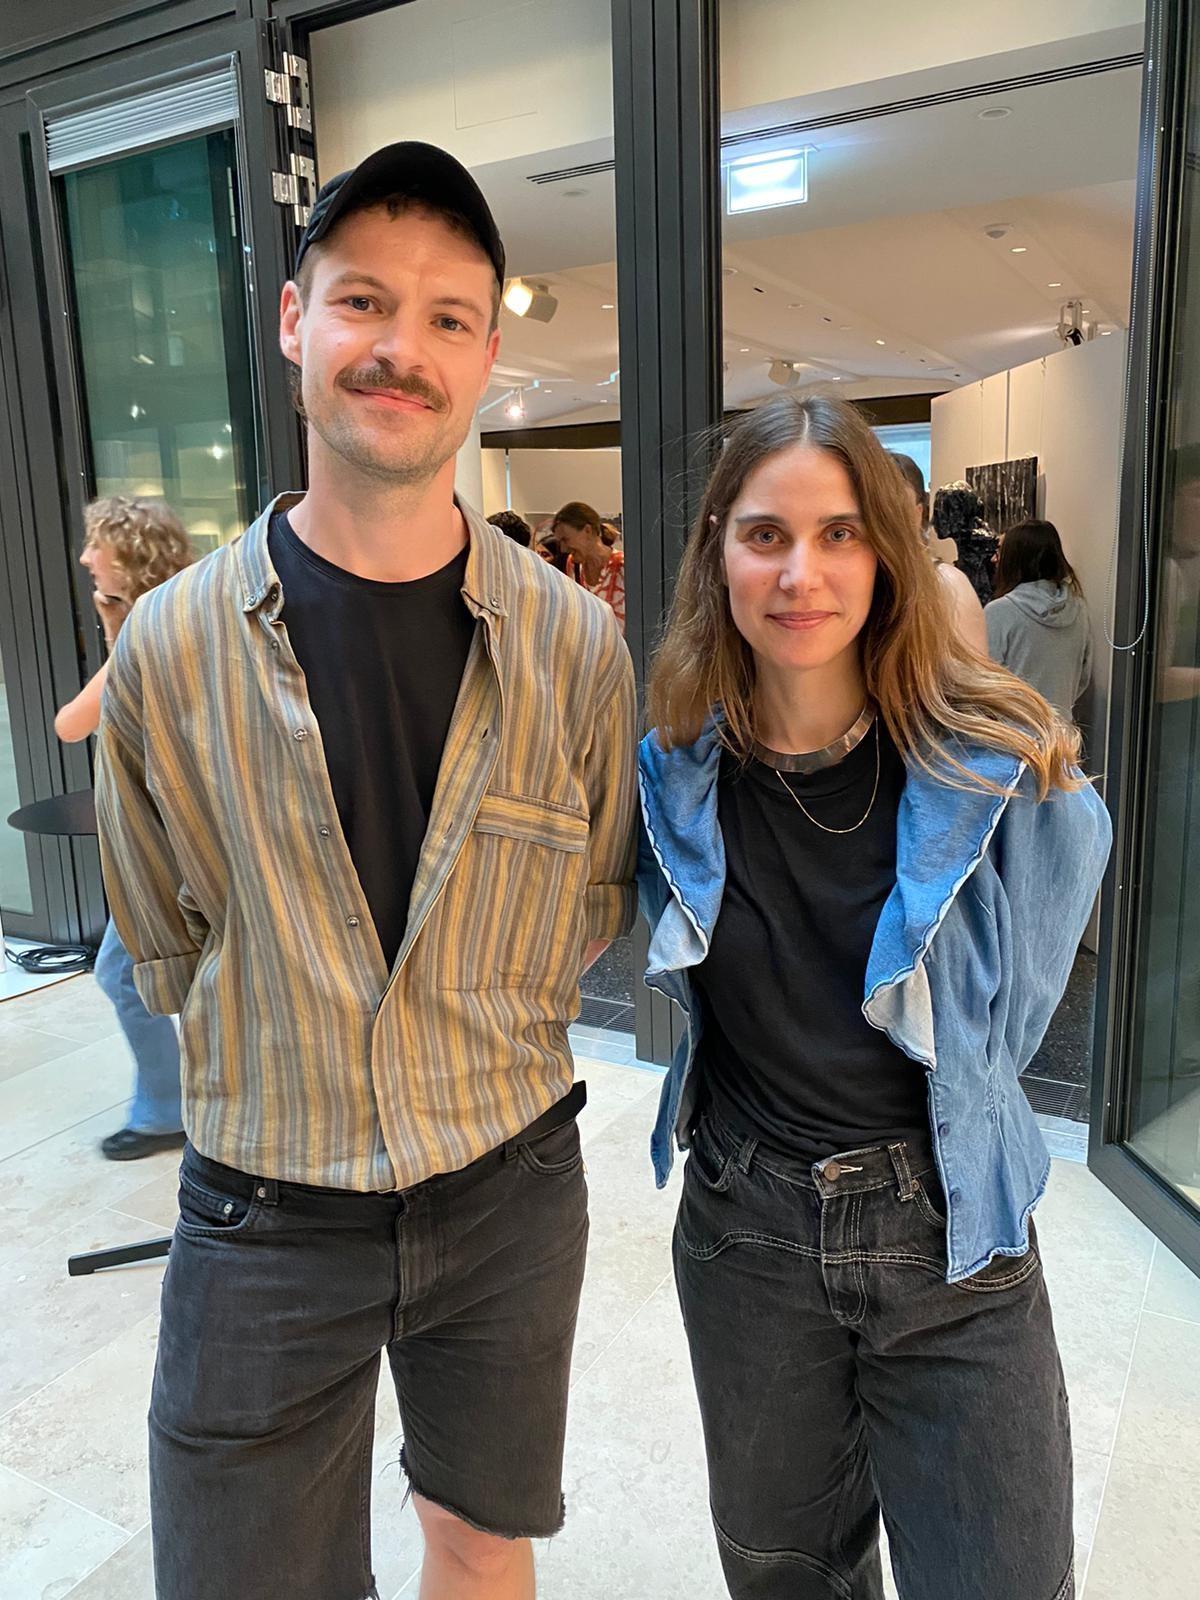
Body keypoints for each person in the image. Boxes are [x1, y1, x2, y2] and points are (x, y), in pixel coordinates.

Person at [95, 142, 637, 1600]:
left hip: (509, 1186)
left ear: (486, 357)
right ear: (295, 319)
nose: (403, 347)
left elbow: (591, 904)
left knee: (481, 1536)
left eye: (448, 316)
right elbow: (160, 932)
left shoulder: (574, 644)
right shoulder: (171, 649)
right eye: (363, 302)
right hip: (264, 1206)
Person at [636, 392, 1110, 1600]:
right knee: (787, 1574)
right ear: (718, 553)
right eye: (766, 534)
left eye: (839, 533)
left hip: (953, 1235)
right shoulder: (676, 769)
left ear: (887, 554)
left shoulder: (991, 758)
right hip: (747, 1234)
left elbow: (1024, 993)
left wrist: (971, 1096)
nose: (802, 573)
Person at [55, 495, 193, 1160]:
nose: (86, 558)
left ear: (131, 555)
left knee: (121, 973)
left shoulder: (149, 629)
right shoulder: (184, 614)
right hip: (182, 833)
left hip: (163, 845)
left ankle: (166, 1108)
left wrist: (115, 629)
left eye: (98, 546)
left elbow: (72, 723)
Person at [985, 518, 1093, 720]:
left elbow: (983, 685)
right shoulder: (1079, 609)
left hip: (1012, 732)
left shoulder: (999, 613)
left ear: (1015, 559)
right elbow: (1082, 678)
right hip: (1060, 731)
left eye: (1000, 552)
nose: (993, 559)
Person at [891, 452, 987, 654]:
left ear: (917, 513)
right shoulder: (862, 581)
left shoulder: (949, 585)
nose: (885, 519)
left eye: (896, 507)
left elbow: (970, 670)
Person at [551, 499, 626, 632]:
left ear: (587, 531)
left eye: (565, 539)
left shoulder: (621, 565)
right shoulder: (572, 565)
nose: (563, 548)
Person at [932, 479, 1001, 604]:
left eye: (939, 513)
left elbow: (980, 600)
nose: (933, 521)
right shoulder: (971, 547)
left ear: (957, 514)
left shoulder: (978, 553)